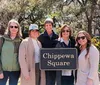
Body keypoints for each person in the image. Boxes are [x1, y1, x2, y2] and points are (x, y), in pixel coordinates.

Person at [0, 19, 22, 85]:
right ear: (8, 28)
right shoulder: (2, 39)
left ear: (18, 28)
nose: (13, 28)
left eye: (15, 27)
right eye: (11, 26)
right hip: (3, 70)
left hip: (15, 71)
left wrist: (21, 71)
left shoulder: (21, 41)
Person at [38, 18, 58, 85]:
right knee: (44, 81)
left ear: (52, 26)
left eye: (50, 25)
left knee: (53, 80)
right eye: (46, 25)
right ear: (44, 26)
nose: (48, 27)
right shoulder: (40, 37)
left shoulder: (57, 36)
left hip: (54, 63)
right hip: (44, 63)